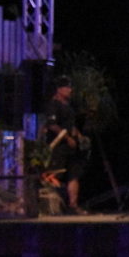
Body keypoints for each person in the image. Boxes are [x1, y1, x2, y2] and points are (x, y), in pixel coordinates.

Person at [44, 76, 87, 214]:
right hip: (58, 146)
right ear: (59, 89)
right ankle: (51, 207)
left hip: (71, 147)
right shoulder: (53, 105)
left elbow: (70, 124)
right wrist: (67, 138)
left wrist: (77, 134)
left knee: (74, 175)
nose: (70, 90)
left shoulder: (68, 106)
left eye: (70, 87)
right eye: (67, 87)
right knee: (54, 175)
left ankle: (73, 205)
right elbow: (52, 125)